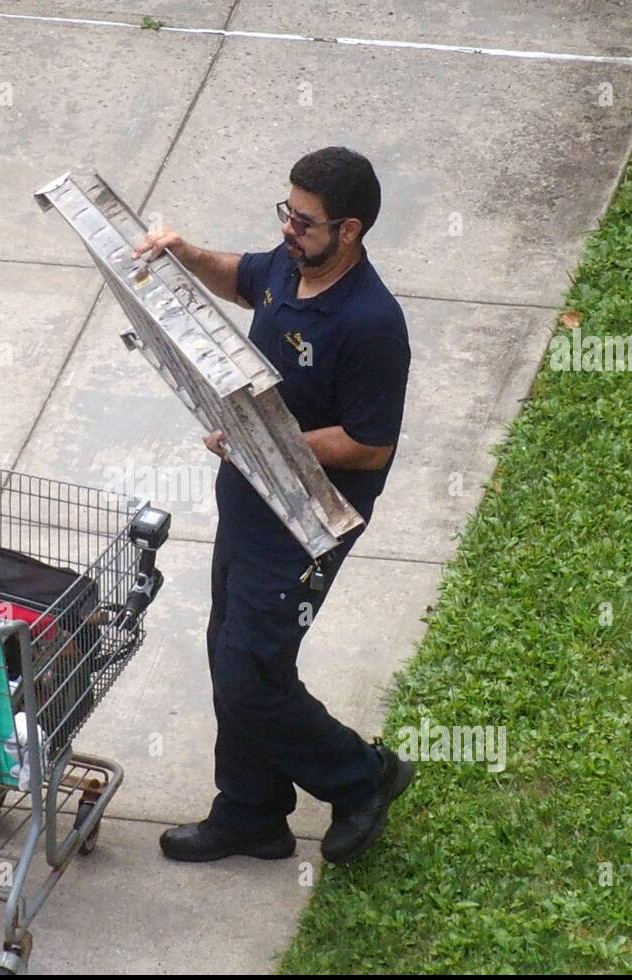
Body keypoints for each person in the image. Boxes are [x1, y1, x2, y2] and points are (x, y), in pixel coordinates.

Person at [132, 146, 415, 865]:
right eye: (286, 211)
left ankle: (363, 777)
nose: (289, 228)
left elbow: (368, 444)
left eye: (305, 220)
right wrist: (184, 251)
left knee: (251, 672)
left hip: (307, 518)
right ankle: (252, 812)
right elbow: (244, 277)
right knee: (233, 652)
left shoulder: (371, 323)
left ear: (349, 231)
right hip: (251, 496)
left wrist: (268, 440)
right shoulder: (292, 267)